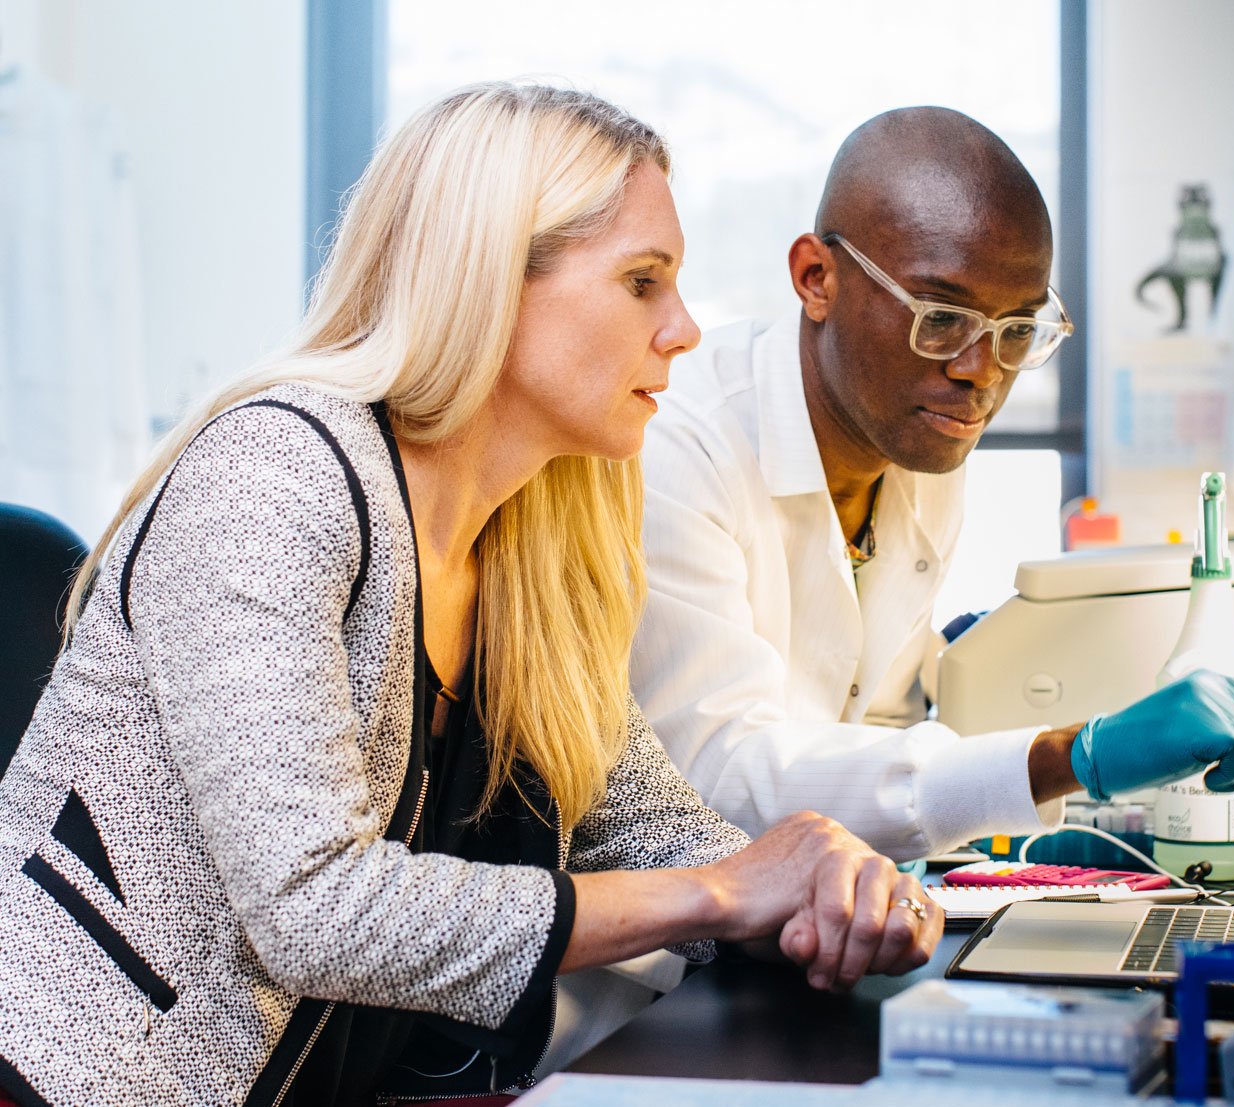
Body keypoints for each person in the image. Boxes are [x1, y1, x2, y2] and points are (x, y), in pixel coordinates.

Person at [0, 83, 940, 1107]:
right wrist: (717, 892)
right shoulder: (275, 473)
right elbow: (315, 910)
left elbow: (649, 827)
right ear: (492, 279)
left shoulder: (531, 542)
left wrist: (812, 886)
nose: (682, 331)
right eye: (642, 282)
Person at [631, 107, 1234, 862]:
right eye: (941, 319)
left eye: (1017, 332)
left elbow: (875, 722)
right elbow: (716, 784)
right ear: (818, 278)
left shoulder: (918, 443)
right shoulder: (683, 449)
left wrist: (1013, 852)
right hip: (658, 966)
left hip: (802, 917)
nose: (981, 373)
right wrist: (1069, 757)